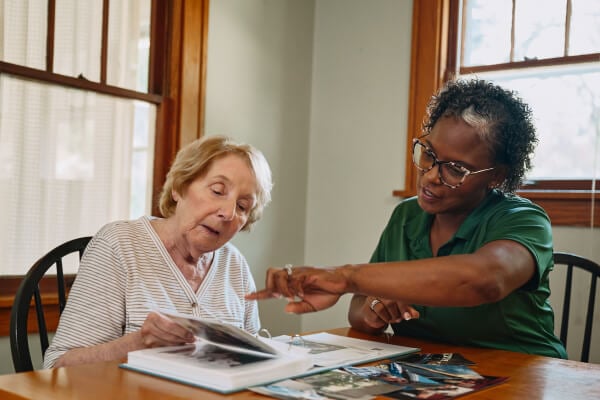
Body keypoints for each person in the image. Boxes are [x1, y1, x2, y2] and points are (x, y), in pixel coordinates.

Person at [248, 79, 567, 359]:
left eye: (455, 169)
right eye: (428, 154)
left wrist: (345, 276)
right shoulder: (407, 216)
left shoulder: (523, 220)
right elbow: (359, 310)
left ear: (496, 177)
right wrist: (374, 311)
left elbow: (485, 280)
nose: (430, 176)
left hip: (522, 373)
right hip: (431, 372)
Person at [43, 135, 273, 368]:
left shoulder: (235, 265)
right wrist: (138, 343)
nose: (228, 212)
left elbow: (253, 361)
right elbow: (57, 366)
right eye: (217, 190)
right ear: (179, 187)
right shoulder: (119, 245)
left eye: (243, 206)